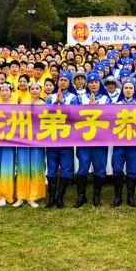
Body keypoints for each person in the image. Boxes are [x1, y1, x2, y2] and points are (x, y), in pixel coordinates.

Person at [74, 72, 111, 208]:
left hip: (100, 140)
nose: (93, 84)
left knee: (99, 167)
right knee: (83, 167)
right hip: (83, 139)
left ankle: (97, 196)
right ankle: (81, 196)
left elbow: (110, 117)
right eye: (91, 82)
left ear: (99, 83)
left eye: (96, 82)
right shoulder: (80, 98)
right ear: (87, 84)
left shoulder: (106, 99)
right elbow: (73, 116)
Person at [45, 72, 78, 208]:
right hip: (52, 137)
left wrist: (62, 103)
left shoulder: (74, 98)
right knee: (51, 169)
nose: (63, 82)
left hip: (66, 138)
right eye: (61, 80)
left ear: (70, 83)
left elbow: (74, 115)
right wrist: (56, 102)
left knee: (66, 169)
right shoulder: (50, 97)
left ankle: (60, 197)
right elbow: (45, 114)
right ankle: (51, 198)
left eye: (65, 80)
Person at [14, 81, 47, 207]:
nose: (34, 90)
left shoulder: (44, 104)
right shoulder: (22, 103)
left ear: (40, 90)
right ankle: (21, 196)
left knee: (36, 166)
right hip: (23, 138)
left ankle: (33, 196)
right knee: (23, 167)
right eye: (32, 88)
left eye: (37, 88)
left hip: (37, 139)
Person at [111, 80, 136, 207]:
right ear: (122, 90)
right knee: (117, 169)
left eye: (131, 88)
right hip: (119, 142)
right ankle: (118, 196)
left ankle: (131, 196)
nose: (128, 90)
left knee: (133, 169)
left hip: (133, 143)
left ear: (134, 90)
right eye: (126, 88)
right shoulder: (115, 104)